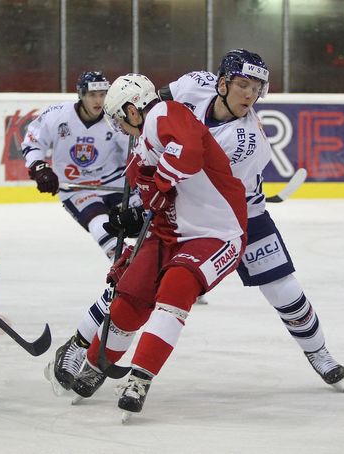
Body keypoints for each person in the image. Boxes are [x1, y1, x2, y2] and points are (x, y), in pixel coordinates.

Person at [54, 50, 344, 398]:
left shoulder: (246, 141)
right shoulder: (195, 84)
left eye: (256, 88)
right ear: (221, 82)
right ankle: (81, 343)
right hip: (180, 209)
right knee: (132, 281)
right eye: (242, 84)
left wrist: (142, 205)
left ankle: (318, 351)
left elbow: (195, 186)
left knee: (284, 290)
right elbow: (154, 108)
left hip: (235, 215)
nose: (249, 95)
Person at [69, 73, 248, 419]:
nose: (121, 128)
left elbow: (189, 154)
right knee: (129, 297)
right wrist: (134, 219)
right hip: (169, 234)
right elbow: (154, 201)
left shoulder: (167, 112)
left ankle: (140, 377)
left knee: (176, 287)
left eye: (121, 119)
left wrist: (160, 180)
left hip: (217, 233)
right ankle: (96, 362)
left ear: (133, 110)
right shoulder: (139, 150)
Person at [21, 70, 137, 261]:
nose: (98, 101)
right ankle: (125, 264)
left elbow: (133, 153)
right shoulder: (57, 115)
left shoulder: (115, 118)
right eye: (92, 95)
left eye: (102, 95)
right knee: (100, 224)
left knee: (147, 221)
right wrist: (39, 168)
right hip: (77, 188)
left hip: (115, 183)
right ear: (81, 95)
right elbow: (32, 141)